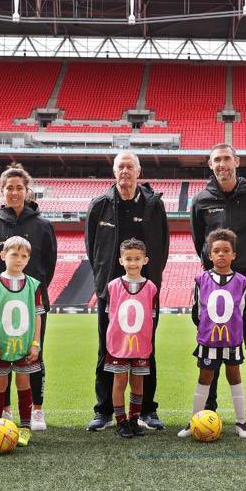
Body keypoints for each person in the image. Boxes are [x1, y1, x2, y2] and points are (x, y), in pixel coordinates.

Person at [190, 144, 246, 427]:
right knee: (211, 342)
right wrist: (214, 268)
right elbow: (199, 241)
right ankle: (209, 407)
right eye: (217, 160)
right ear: (210, 165)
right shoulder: (201, 200)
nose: (222, 164)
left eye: (227, 158)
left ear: (236, 161)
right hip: (213, 282)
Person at [85, 152, 169, 432]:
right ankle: (104, 410)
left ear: (138, 171)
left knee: (146, 349)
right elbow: (92, 247)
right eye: (120, 166)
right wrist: (102, 282)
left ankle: (147, 410)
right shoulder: (100, 205)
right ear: (114, 171)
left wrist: (152, 281)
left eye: (129, 166)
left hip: (144, 292)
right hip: (112, 293)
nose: (125, 171)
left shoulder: (154, 205)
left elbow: (162, 247)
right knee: (107, 349)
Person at [0, 164, 57, 431]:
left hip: (32, 304)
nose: (14, 192)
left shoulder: (44, 226)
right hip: (2, 306)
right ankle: (6, 411)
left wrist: (31, 293)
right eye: (9, 187)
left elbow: (49, 265)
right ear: (2, 191)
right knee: (3, 358)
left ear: (27, 190)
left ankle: (36, 411)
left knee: (33, 356)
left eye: (19, 187)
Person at [177, 229, 246, 439]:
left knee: (234, 375)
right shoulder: (201, 279)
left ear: (234, 254)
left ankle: (241, 422)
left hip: (232, 339)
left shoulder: (243, 281)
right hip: (208, 339)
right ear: (209, 255)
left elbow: (243, 310)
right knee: (205, 376)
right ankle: (194, 421)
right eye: (216, 251)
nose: (221, 254)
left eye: (226, 250)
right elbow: (198, 311)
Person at [0, 236, 45, 449]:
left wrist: (35, 343)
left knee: (23, 384)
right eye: (14, 254)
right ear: (3, 255)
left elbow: (37, 316)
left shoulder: (33, 285)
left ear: (28, 260)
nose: (19, 259)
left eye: (24, 256)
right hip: (1, 345)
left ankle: (24, 428)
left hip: (23, 346)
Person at [104, 239, 159, 439]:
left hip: (141, 344)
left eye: (137, 259)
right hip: (119, 344)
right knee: (119, 382)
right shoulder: (113, 286)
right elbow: (110, 315)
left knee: (138, 384)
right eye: (128, 259)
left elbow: (151, 317)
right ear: (121, 260)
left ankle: (134, 420)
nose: (133, 263)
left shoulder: (151, 287)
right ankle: (121, 422)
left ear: (145, 260)